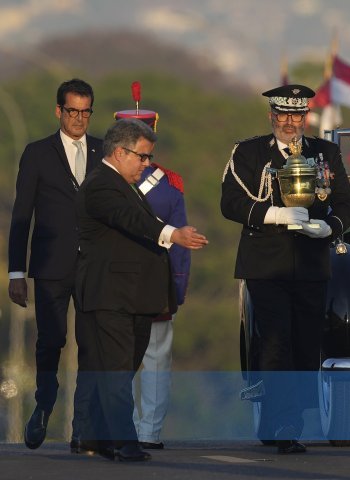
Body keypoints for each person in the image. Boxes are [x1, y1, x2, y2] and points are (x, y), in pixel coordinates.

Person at [220, 84, 350, 454]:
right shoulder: (248, 152)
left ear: (305, 117)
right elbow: (230, 202)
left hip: (311, 262)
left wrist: (330, 227)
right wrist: (274, 214)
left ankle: (286, 417)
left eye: (297, 115)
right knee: (275, 341)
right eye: (283, 114)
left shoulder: (325, 153)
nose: (290, 122)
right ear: (272, 115)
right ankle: (284, 423)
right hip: (266, 263)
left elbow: (347, 202)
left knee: (304, 343)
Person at [75, 118, 207, 461]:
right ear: (120, 152)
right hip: (111, 295)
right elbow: (130, 220)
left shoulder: (125, 183)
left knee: (124, 368)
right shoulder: (101, 184)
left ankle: (100, 436)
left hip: (134, 296)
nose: (147, 164)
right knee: (118, 371)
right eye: (142, 157)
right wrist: (172, 234)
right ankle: (124, 441)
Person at [7, 78, 101, 452]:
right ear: (58, 111)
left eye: (86, 112)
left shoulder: (103, 150)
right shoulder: (37, 153)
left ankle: (83, 424)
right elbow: (20, 217)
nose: (79, 119)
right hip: (50, 265)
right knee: (52, 341)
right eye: (73, 111)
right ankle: (44, 404)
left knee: (92, 345)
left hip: (93, 265)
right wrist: (17, 273)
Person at [112, 107, 191, 450]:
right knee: (155, 360)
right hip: (155, 285)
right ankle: (149, 432)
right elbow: (180, 247)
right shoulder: (170, 185)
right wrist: (177, 288)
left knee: (122, 358)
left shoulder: (101, 180)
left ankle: (127, 428)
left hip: (117, 285)